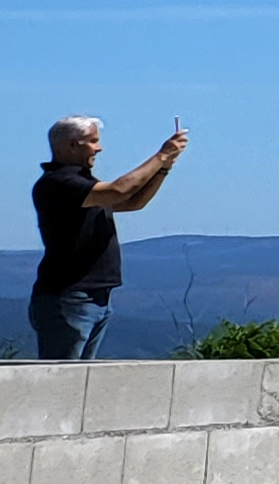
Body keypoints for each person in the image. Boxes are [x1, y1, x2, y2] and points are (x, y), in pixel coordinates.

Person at [30, 116, 188, 362]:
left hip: (94, 298)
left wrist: (164, 168)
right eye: (93, 141)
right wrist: (161, 156)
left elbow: (132, 202)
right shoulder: (59, 183)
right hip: (70, 297)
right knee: (62, 377)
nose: (99, 148)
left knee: (81, 376)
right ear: (71, 145)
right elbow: (119, 190)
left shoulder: (83, 184)